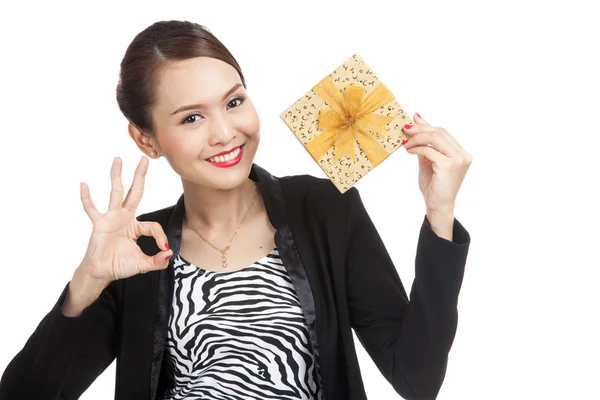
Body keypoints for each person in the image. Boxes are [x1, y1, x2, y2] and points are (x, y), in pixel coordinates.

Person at [0, 20, 472, 400]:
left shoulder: (326, 208)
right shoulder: (138, 249)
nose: (225, 132)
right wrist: (87, 282)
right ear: (146, 139)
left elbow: (417, 378)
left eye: (234, 101)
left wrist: (440, 214)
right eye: (192, 117)